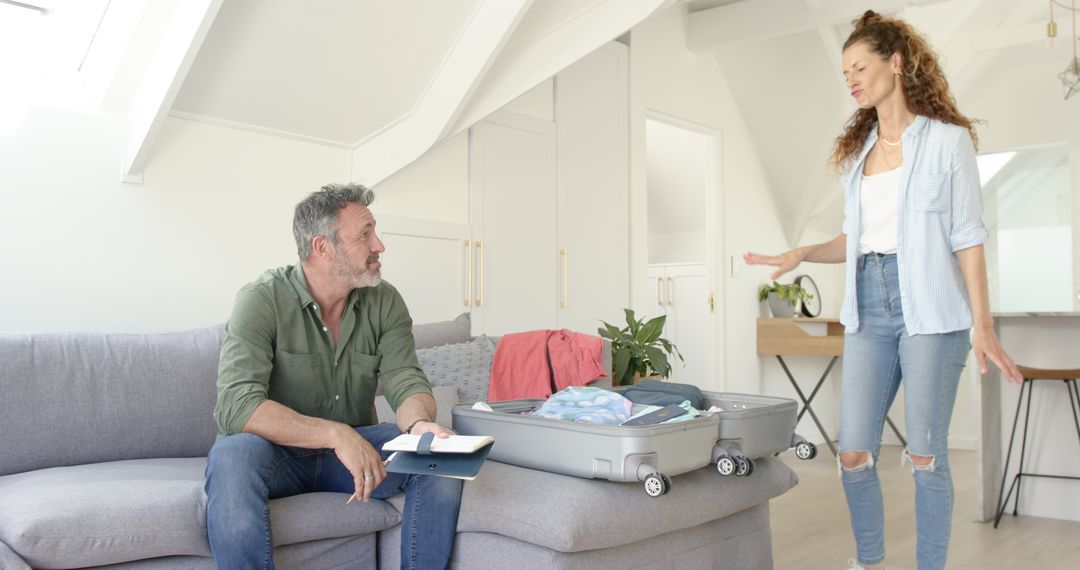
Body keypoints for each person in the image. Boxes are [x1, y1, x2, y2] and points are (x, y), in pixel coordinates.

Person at [744, 11, 1023, 570]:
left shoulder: (948, 143)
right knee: (852, 452)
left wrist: (983, 322)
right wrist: (805, 252)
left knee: (924, 455)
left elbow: (968, 237)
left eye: (860, 66)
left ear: (896, 64)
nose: (850, 79)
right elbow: (857, 238)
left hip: (932, 314)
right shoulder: (859, 155)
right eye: (845, 71)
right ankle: (869, 562)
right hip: (868, 308)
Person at [204, 183, 463, 569]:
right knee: (232, 456)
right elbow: (237, 406)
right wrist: (335, 434)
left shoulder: (385, 300)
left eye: (374, 231)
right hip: (278, 454)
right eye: (364, 234)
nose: (379, 245)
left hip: (357, 454)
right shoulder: (261, 299)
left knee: (439, 459)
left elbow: (405, 377)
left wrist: (420, 423)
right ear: (322, 247)